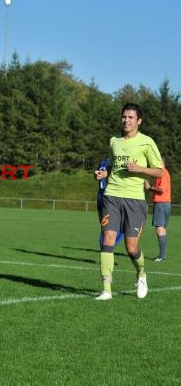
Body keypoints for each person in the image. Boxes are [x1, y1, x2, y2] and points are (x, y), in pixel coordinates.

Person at [94, 103, 163, 301]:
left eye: (131, 117)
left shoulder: (147, 142)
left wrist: (140, 169)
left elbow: (159, 171)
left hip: (135, 201)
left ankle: (141, 272)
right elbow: (113, 167)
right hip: (112, 195)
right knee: (107, 238)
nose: (126, 120)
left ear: (138, 121)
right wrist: (103, 173)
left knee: (131, 247)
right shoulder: (114, 141)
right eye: (124, 117)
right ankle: (106, 289)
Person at [144, 158, 171, 261]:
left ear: (162, 163)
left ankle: (162, 256)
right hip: (165, 204)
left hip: (161, 204)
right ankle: (162, 255)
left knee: (159, 229)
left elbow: (161, 190)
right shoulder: (165, 173)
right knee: (162, 229)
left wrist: (150, 188)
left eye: (157, 161)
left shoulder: (163, 173)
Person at [96, 158, 123, 248]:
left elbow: (97, 176)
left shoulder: (103, 161)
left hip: (101, 196)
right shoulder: (116, 162)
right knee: (120, 227)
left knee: (106, 227)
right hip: (110, 198)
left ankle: (105, 250)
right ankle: (106, 250)